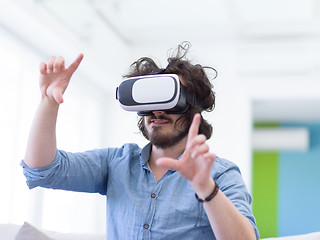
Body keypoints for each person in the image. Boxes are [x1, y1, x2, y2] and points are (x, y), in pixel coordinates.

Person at [21, 43, 260, 240]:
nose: (157, 112)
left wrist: (205, 188)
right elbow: (42, 170)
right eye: (149, 102)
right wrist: (48, 101)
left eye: (168, 101)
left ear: (192, 107)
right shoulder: (117, 163)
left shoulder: (221, 174)